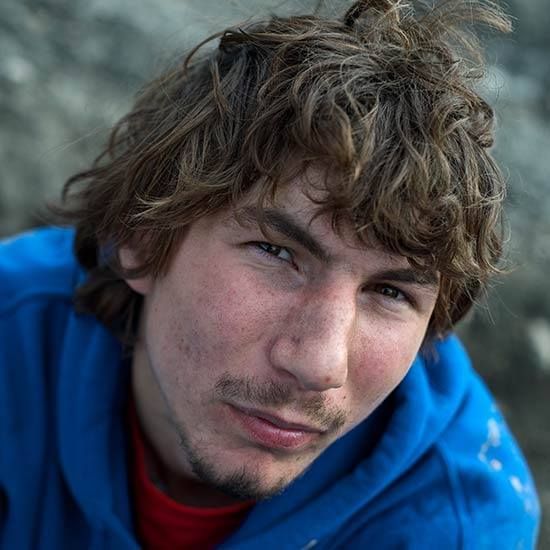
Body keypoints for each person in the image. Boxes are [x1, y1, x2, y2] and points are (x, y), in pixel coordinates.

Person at [0, 0, 541, 548]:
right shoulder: (12, 339)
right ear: (140, 236)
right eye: (277, 253)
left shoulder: (457, 525)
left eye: (389, 291)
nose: (319, 364)